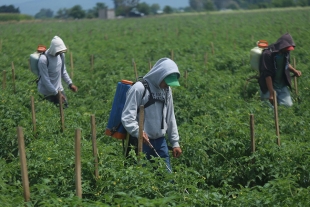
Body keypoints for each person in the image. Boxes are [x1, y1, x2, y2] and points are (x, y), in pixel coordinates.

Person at [121, 57, 182, 172]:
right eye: (166, 82)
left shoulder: (167, 90)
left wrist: (175, 143)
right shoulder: (139, 88)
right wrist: (138, 132)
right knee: (141, 178)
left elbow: (170, 117)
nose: (166, 85)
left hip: (160, 141)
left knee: (167, 177)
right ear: (160, 75)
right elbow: (127, 117)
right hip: (141, 142)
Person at [258, 33, 301, 107]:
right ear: (282, 45)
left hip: (281, 85)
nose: (288, 50)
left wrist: (294, 71)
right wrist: (271, 93)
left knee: (288, 106)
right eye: (287, 48)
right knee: (270, 109)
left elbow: (286, 64)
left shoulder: (286, 52)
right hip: (269, 86)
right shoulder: (268, 54)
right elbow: (267, 75)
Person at [37, 36, 78, 107]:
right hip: (47, 92)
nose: (59, 53)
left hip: (59, 89)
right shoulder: (43, 59)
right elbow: (45, 80)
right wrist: (56, 94)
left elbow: (63, 71)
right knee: (49, 112)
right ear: (54, 49)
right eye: (58, 51)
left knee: (65, 108)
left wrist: (70, 84)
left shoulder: (61, 55)